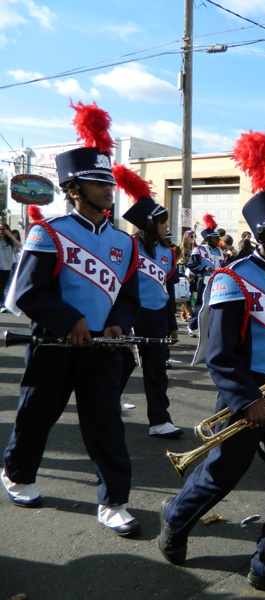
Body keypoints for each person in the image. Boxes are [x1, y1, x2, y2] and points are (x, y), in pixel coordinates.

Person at [159, 131, 265, 598]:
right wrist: (246, 399)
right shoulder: (232, 280)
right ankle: (176, 516)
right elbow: (221, 352)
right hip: (246, 392)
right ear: (264, 236)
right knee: (222, 472)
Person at [1, 101, 141, 536]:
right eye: (98, 183)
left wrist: (118, 320)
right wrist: (69, 319)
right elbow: (27, 292)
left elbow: (127, 294)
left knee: (106, 424)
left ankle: (114, 499)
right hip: (55, 344)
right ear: (74, 188)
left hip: (104, 348)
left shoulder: (123, 242)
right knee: (36, 414)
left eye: (109, 181)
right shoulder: (50, 233)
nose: (108, 189)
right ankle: (17, 474)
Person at [115, 163, 183, 439]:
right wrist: (120, 321)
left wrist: (172, 324)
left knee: (157, 371)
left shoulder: (169, 253)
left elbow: (165, 289)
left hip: (157, 318)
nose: (167, 226)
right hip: (132, 316)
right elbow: (118, 288)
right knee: (122, 366)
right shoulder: (128, 246)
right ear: (150, 224)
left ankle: (159, 420)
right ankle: (107, 404)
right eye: (163, 221)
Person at [186, 214, 224, 337]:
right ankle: (192, 326)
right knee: (201, 305)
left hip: (218, 281)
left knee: (216, 305)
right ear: (208, 239)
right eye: (215, 238)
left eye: (218, 238)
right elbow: (191, 264)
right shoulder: (199, 249)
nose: (218, 240)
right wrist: (203, 268)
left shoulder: (220, 251)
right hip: (204, 280)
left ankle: (210, 328)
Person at [0, 221, 22, 312]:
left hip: (7, 268)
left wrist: (11, 236)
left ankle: (4, 305)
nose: (1, 231)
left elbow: (21, 246)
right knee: (0, 287)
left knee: (3, 287)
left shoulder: (10, 242)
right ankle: (5, 305)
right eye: (0, 229)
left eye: (3, 229)